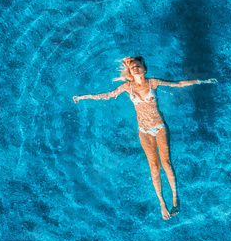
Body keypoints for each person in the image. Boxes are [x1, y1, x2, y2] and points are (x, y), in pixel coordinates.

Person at [74, 56, 216, 219]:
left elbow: (177, 84)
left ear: (144, 69)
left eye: (138, 65)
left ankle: (176, 200)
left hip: (160, 127)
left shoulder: (152, 82)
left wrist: (202, 81)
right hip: (144, 131)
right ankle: (162, 204)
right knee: (154, 168)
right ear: (130, 71)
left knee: (167, 164)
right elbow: (107, 95)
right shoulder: (128, 86)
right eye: (132, 66)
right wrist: (83, 97)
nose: (135, 67)